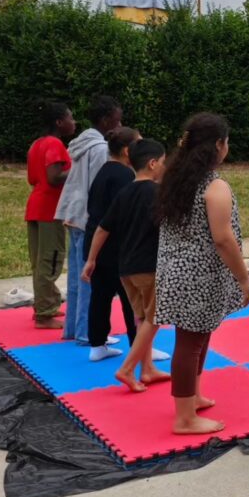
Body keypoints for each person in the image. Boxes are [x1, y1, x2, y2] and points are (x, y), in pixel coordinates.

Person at [154, 113, 249, 435]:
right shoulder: (215, 186)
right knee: (190, 342)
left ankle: (192, 395)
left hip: (177, 272)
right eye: (227, 142)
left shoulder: (177, 179)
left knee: (198, 335)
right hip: (198, 277)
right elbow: (223, 239)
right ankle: (184, 417)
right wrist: (243, 278)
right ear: (218, 146)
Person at [82, 139, 170, 392]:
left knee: (141, 317)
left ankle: (148, 369)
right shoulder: (156, 193)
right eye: (163, 163)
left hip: (126, 269)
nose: (164, 168)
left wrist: (91, 260)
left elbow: (102, 228)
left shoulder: (125, 192)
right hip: (148, 267)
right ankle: (128, 368)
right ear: (153, 164)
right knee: (153, 319)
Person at [56, 94, 123, 345]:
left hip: (73, 214)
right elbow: (99, 187)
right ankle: (87, 332)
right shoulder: (99, 149)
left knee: (76, 276)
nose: (118, 126)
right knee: (89, 276)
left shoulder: (80, 143)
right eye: (117, 121)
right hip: (88, 218)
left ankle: (73, 328)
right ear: (106, 120)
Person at [82, 126, 139, 362]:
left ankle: (97, 344)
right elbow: (125, 214)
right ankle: (139, 347)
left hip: (96, 241)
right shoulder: (125, 176)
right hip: (115, 245)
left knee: (101, 295)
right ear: (127, 151)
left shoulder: (105, 171)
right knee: (132, 298)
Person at [25, 101, 76, 327]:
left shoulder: (36, 144)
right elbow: (55, 177)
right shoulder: (55, 144)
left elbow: (32, 179)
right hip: (49, 210)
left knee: (39, 260)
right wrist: (78, 169)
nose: (73, 122)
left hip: (35, 205)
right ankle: (44, 314)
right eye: (70, 118)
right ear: (59, 122)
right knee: (51, 259)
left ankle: (48, 303)